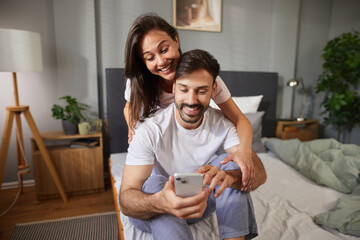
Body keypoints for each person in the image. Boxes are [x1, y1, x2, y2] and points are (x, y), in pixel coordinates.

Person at [120, 49, 266, 240]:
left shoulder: (223, 124)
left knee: (227, 165)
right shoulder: (150, 129)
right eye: (184, 89)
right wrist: (162, 202)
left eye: (201, 91)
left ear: (214, 90)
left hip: (200, 203)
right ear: (173, 88)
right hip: (154, 207)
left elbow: (260, 175)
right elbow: (126, 200)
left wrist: (231, 178)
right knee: (155, 182)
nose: (191, 100)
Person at [123, 13, 255, 190]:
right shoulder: (139, 81)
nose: (161, 61)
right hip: (160, 150)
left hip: (191, 146)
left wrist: (244, 151)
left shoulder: (204, 76)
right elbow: (128, 107)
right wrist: (132, 126)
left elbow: (240, 119)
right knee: (154, 185)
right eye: (150, 58)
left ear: (176, 40)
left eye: (163, 49)